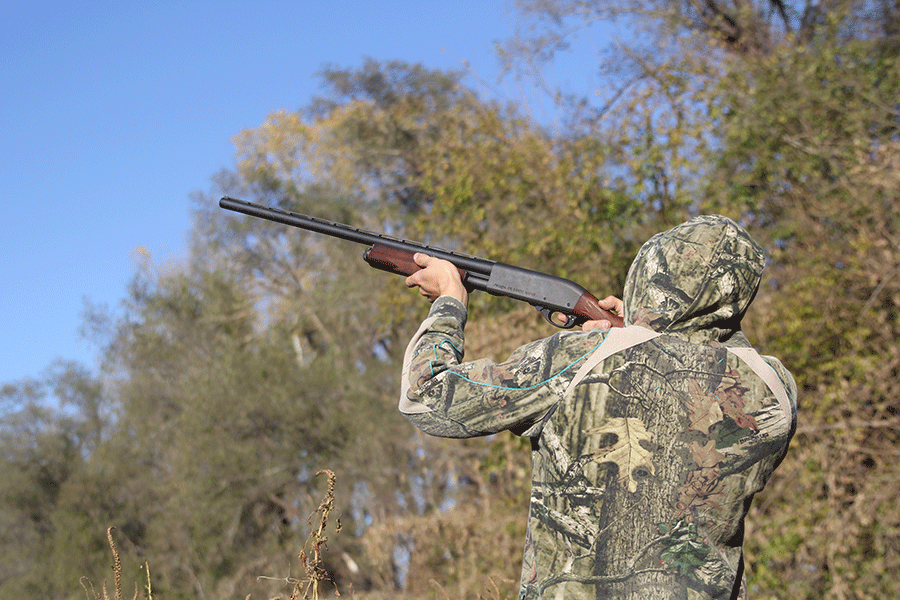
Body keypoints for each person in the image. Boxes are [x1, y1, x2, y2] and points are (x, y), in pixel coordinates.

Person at [399, 215, 797, 600]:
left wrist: (449, 301)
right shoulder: (775, 390)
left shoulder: (586, 356)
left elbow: (428, 397)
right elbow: (710, 360)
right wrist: (647, 329)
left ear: (649, 273)